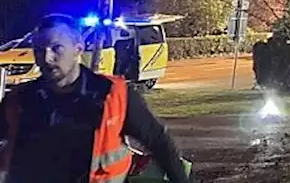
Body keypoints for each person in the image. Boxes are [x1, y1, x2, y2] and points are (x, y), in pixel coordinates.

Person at [0, 14, 189, 183]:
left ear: (78, 49)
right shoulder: (19, 100)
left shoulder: (114, 94)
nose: (46, 58)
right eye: (39, 50)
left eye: (56, 48)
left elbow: (159, 142)